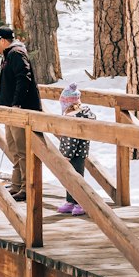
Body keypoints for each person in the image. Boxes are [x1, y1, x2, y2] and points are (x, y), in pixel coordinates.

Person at [0, 25, 42, 201]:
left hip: (19, 110)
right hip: (10, 110)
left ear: (3, 41)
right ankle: (16, 184)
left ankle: (26, 187)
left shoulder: (16, 54)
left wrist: (17, 103)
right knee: (13, 148)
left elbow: (24, 77)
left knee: (22, 150)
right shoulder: (9, 55)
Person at [57, 83, 96, 215]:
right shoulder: (80, 114)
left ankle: (81, 202)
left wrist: (66, 154)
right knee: (70, 177)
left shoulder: (73, 117)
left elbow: (71, 139)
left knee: (76, 177)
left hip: (74, 154)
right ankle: (71, 201)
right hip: (77, 152)